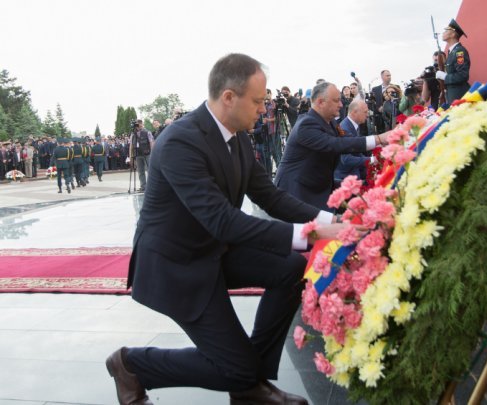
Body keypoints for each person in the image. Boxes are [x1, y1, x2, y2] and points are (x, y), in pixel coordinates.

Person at [106, 53, 354, 405]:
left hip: (213, 251)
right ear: (228, 97)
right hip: (178, 265)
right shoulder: (180, 141)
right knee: (234, 366)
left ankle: (250, 384)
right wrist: (311, 236)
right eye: (257, 101)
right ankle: (131, 365)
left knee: (291, 268)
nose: (263, 109)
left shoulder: (237, 136)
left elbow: (269, 195)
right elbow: (222, 219)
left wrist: (332, 221)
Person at [274, 81, 389, 210]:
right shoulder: (306, 125)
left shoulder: (332, 122)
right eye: (336, 100)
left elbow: (346, 138)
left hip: (319, 184)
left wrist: (380, 143)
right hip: (297, 192)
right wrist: (378, 139)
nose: (341, 105)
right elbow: (335, 144)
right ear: (320, 102)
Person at [334, 99, 373, 184]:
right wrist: (371, 160)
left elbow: (356, 151)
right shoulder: (344, 128)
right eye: (365, 112)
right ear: (354, 112)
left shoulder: (353, 124)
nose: (367, 115)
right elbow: (346, 160)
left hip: (353, 173)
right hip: (345, 178)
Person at [435, 19, 470, 103]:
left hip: (458, 95)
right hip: (452, 94)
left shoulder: (459, 52)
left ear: (453, 34)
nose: (443, 33)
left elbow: (462, 75)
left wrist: (445, 76)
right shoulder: (452, 52)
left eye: (446, 30)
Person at [129, 119, 153, 191]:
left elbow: (151, 143)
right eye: (137, 124)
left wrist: (153, 153)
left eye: (139, 124)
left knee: (149, 170)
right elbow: (131, 146)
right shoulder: (133, 134)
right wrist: (131, 157)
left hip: (147, 154)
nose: (138, 126)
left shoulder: (147, 132)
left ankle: (150, 186)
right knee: (140, 171)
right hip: (138, 155)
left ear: (142, 124)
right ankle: (143, 186)